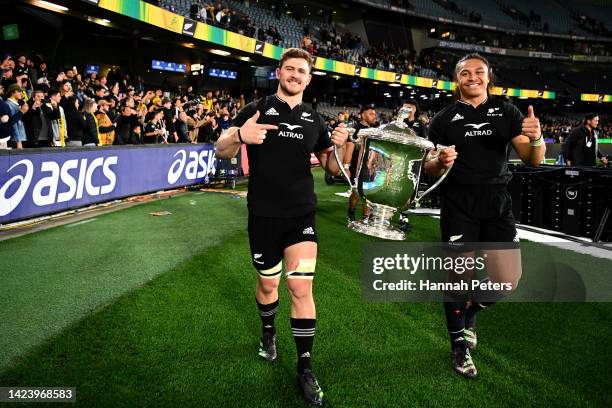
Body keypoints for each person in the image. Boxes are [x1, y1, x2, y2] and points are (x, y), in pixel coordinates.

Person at [215, 48, 348, 406]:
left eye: (301, 71)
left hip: (301, 214)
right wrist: (240, 136)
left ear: (309, 78)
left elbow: (333, 169)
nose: (295, 75)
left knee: (301, 290)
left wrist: (341, 146)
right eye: (289, 69)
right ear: (279, 72)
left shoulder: (315, 119)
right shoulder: (255, 109)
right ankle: (268, 331)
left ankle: (305, 367)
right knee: (268, 283)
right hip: (263, 214)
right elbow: (221, 151)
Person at [424, 53, 545, 379]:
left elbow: (533, 159)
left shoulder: (508, 112)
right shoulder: (444, 119)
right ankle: (458, 347)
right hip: (458, 204)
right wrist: (440, 161)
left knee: (508, 279)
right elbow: (428, 165)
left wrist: (536, 138)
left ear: (488, 77)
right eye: (466, 72)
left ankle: (471, 312)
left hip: (497, 204)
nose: (473, 77)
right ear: (458, 79)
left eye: (479, 71)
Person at [345, 105, 377, 222]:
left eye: (374, 114)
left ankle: (366, 217)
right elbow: (349, 147)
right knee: (357, 192)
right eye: (371, 114)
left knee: (368, 192)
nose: (374, 116)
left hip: (369, 166)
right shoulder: (356, 129)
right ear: (363, 115)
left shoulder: (375, 130)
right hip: (356, 166)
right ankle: (351, 212)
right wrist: (346, 167)